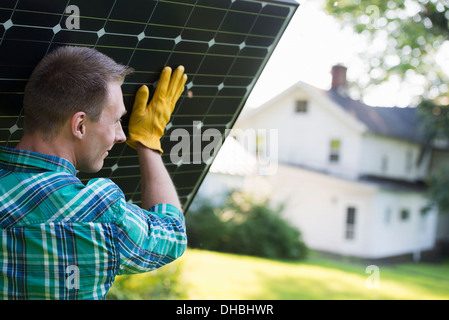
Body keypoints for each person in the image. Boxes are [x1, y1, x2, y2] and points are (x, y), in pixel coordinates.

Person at [0, 45, 188, 300]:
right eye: (116, 121)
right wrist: (148, 142)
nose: (122, 135)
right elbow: (172, 234)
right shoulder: (96, 212)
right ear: (79, 125)